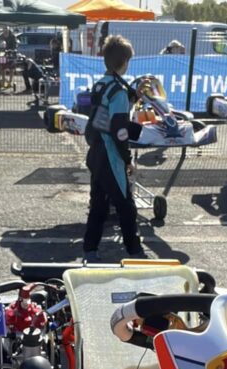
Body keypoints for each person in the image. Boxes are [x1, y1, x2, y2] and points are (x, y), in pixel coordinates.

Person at [83, 35, 146, 263]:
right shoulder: (118, 90)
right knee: (126, 206)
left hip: (96, 153)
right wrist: (127, 159)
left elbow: (104, 115)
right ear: (124, 62)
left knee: (98, 204)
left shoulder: (102, 83)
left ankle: (90, 250)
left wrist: (129, 98)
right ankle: (134, 252)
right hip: (111, 155)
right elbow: (120, 131)